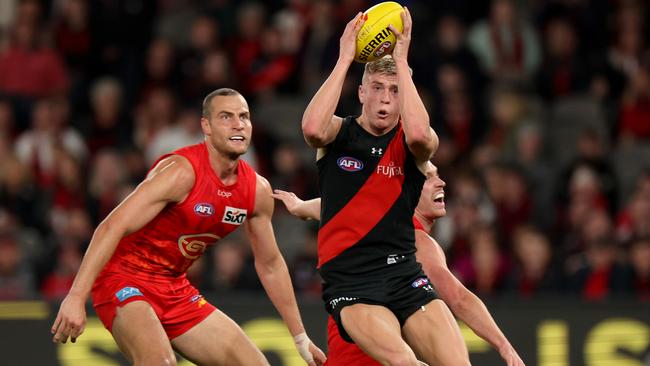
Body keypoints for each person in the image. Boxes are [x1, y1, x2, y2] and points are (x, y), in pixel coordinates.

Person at [50, 88, 327, 366]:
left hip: (174, 287)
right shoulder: (181, 172)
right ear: (206, 126)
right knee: (160, 363)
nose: (238, 124)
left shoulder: (256, 190)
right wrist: (75, 297)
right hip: (123, 278)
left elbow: (270, 264)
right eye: (226, 117)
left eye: (244, 116)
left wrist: (300, 338)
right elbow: (111, 227)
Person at [301, 8, 469, 366]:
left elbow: (424, 136)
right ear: (362, 92)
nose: (386, 98)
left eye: (394, 91)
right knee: (405, 363)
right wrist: (345, 56)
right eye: (377, 88)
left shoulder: (410, 143)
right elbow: (312, 128)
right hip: (351, 283)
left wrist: (403, 63)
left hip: (403, 273)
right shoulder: (337, 133)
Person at [273, 163, 525, 366]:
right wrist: (503, 344)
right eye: (428, 178)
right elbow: (458, 298)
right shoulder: (417, 242)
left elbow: (334, 207)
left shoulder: (372, 221)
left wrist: (300, 207)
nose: (441, 182)